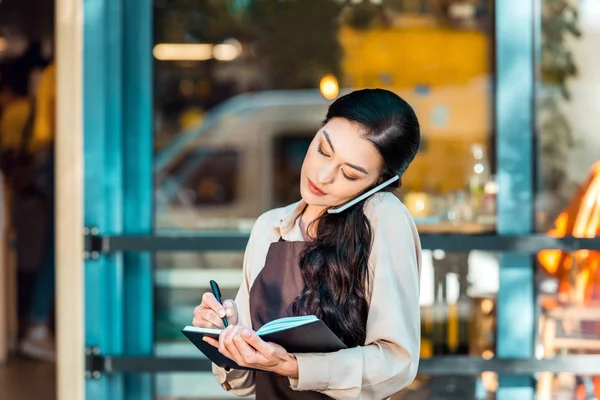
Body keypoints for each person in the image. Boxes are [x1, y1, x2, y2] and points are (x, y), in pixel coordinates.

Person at [192, 88, 422, 399]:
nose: (323, 175)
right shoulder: (269, 228)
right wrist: (227, 336)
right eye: (323, 150)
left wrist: (293, 365)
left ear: (377, 185)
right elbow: (244, 384)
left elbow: (397, 364)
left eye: (350, 175)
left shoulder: (383, 216)